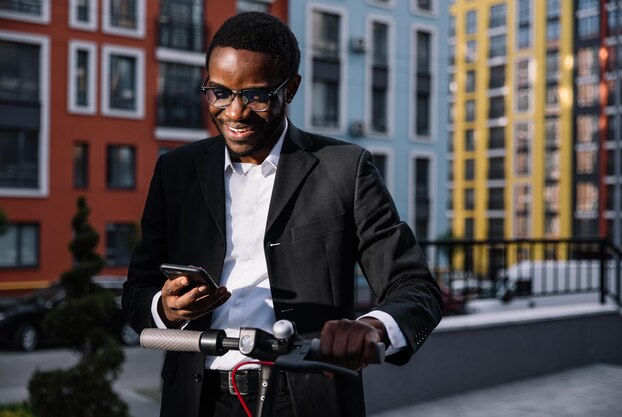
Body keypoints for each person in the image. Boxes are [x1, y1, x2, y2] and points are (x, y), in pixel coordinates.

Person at [123, 11, 442, 417]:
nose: (234, 112)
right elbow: (136, 293)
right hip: (197, 397)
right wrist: (165, 308)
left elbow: (415, 286)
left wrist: (373, 326)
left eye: (256, 96)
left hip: (308, 397)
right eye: (218, 93)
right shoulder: (176, 171)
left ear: (290, 88)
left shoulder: (345, 168)